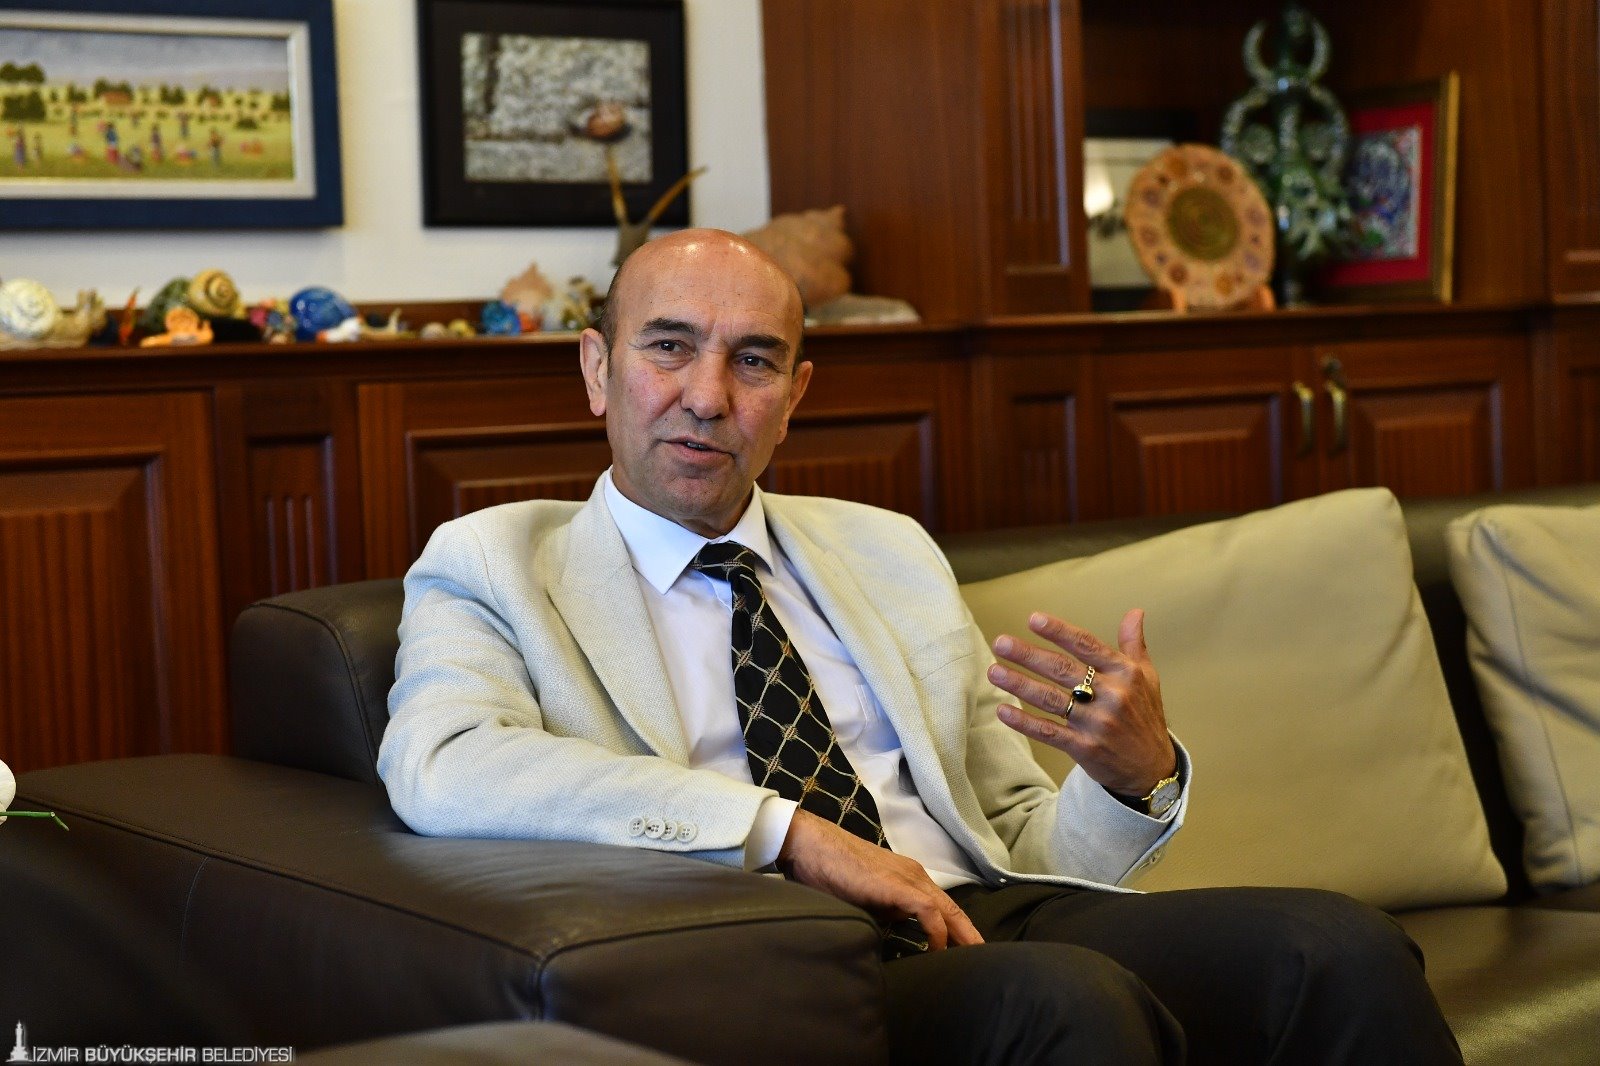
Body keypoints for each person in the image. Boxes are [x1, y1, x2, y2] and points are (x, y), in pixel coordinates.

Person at [379, 229, 1462, 1065]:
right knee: (1063, 1000)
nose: (707, 397)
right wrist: (785, 834)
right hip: (774, 957)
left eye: (754, 361)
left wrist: (1132, 780)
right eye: (668, 347)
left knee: (1341, 946)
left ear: (793, 398)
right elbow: (443, 762)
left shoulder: (885, 549)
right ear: (596, 370)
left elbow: (1016, 839)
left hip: (978, 914)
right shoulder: (496, 563)